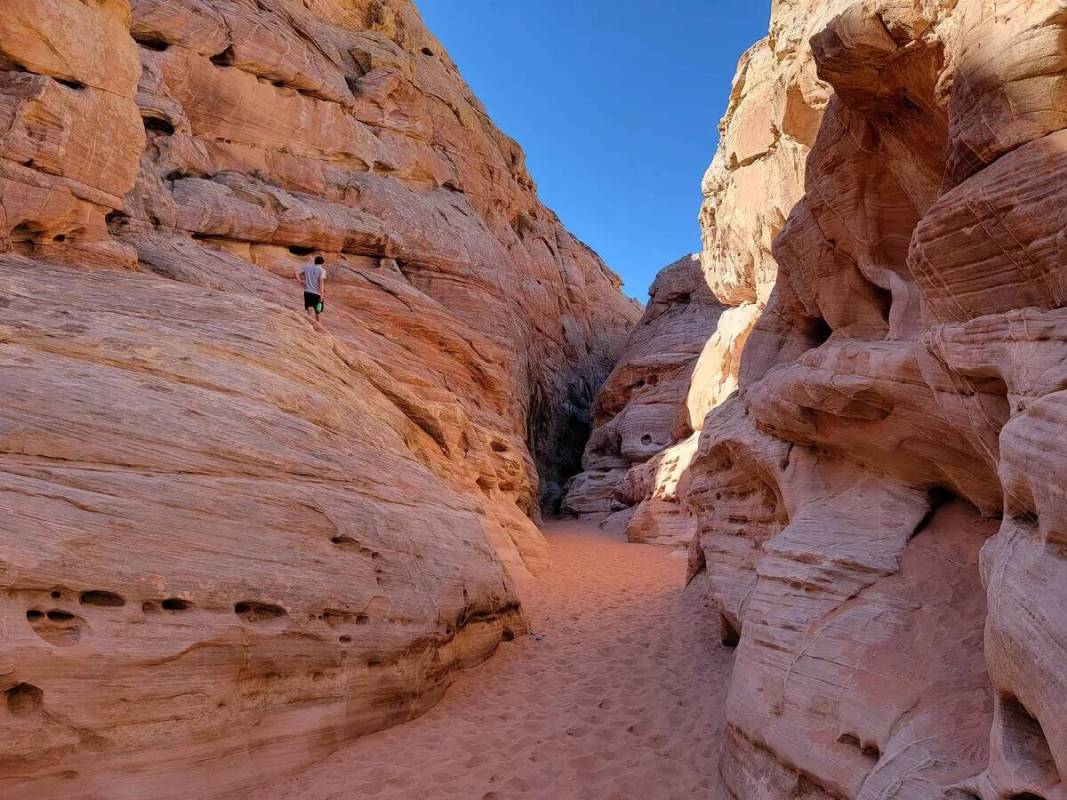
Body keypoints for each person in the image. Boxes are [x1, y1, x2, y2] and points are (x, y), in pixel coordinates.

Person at [295, 255, 326, 321]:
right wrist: (322, 294)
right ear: (323, 263)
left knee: (309, 309)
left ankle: (309, 323)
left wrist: (300, 281)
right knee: (317, 311)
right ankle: (318, 326)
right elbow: (321, 282)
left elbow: (296, 273)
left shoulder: (307, 267)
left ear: (315, 261)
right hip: (317, 293)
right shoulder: (322, 270)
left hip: (307, 291)